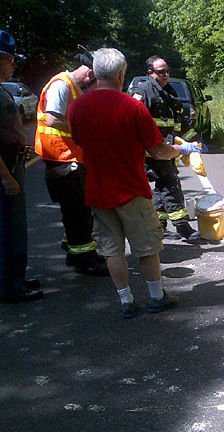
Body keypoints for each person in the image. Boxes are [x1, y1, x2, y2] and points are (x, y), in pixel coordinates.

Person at [68, 48, 201, 318]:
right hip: (131, 189)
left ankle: (126, 302)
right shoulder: (132, 107)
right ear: (121, 74)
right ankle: (155, 296)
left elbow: (80, 141)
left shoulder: (77, 107)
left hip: (97, 190)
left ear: (95, 73)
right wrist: (182, 150)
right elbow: (157, 151)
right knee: (146, 247)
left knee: (112, 250)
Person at [34, 50, 109, 276]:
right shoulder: (61, 85)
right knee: (76, 211)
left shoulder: (73, 87)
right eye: (95, 83)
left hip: (69, 158)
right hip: (61, 159)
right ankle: (83, 261)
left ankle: (80, 252)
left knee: (80, 210)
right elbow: (52, 117)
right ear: (89, 73)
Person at [129, 55, 199, 241]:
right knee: (170, 185)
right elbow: (133, 120)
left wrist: (192, 141)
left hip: (165, 148)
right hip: (153, 150)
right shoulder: (144, 92)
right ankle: (183, 227)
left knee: (162, 186)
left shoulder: (167, 91)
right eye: (161, 71)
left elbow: (178, 122)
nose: (166, 74)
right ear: (150, 73)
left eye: (167, 70)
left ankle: (159, 226)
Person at [0, 29, 43, 303]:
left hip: (13, 161)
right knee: (8, 229)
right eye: (11, 59)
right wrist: (5, 177)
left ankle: (15, 278)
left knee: (15, 228)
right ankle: (10, 287)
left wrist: (20, 143)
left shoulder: (2, 89)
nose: (13, 64)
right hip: (4, 169)